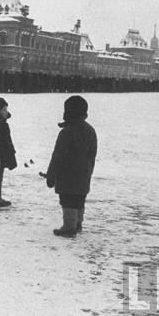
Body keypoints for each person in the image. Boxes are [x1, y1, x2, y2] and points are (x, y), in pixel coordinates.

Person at [45, 95, 98, 237]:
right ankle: (78, 223)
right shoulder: (90, 130)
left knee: (68, 200)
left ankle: (69, 227)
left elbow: (58, 156)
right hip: (84, 174)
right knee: (79, 200)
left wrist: (51, 175)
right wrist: (88, 171)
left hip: (67, 175)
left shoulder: (67, 132)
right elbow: (92, 154)